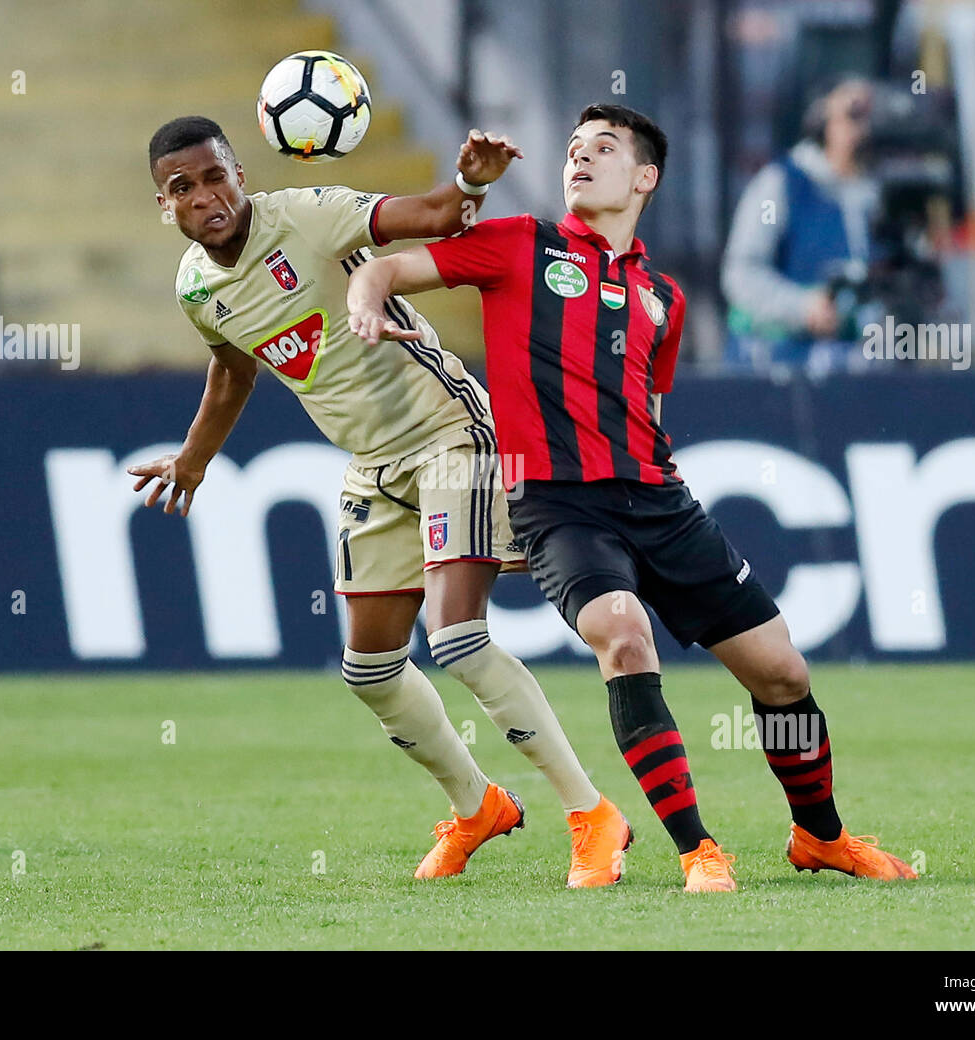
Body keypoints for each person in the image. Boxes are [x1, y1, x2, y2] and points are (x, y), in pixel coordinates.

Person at [347, 102, 916, 892]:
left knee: (782, 675)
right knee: (622, 632)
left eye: (603, 149)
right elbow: (387, 267)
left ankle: (821, 836)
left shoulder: (663, 299)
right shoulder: (520, 245)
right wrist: (366, 299)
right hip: (557, 505)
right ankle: (696, 850)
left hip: (660, 504)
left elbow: (648, 405)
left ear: (644, 176)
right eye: (574, 148)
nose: (579, 158)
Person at [129, 116, 631, 887]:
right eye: (183, 189)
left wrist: (468, 181)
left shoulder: (308, 215)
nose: (207, 197)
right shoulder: (197, 286)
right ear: (165, 207)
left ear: (240, 173)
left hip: (447, 431)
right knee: (368, 670)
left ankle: (592, 814)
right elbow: (233, 370)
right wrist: (194, 462)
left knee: (457, 636)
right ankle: (478, 807)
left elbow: (431, 218)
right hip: (372, 465)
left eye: (216, 175)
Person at [721, 78, 882, 370]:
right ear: (823, 122)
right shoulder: (780, 184)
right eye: (853, 116)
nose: (864, 131)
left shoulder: (876, 196)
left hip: (854, 372)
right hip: (781, 366)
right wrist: (802, 306)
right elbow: (741, 273)